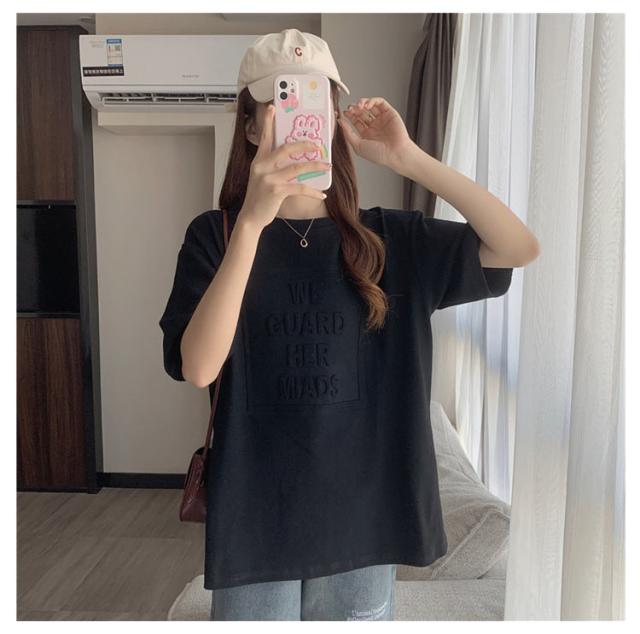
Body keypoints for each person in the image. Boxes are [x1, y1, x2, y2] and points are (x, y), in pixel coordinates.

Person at [159, 29, 540, 621]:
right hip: (257, 517)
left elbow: (518, 247)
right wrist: (252, 224)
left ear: (333, 121)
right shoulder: (216, 235)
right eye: (281, 101)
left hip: (366, 518)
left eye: (315, 101)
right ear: (251, 127)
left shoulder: (391, 240)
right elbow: (199, 367)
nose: (300, 120)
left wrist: (409, 159)